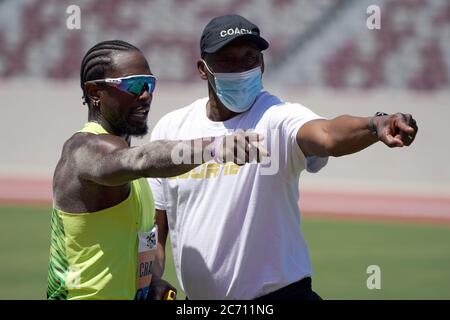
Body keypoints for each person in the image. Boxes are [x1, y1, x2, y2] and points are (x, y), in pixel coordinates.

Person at [148, 15, 418, 300]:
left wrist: (375, 125)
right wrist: (151, 279)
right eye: (228, 60)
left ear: (262, 63)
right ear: (204, 69)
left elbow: (328, 134)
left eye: (250, 58)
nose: (242, 70)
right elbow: (157, 228)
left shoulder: (278, 117)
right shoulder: (173, 128)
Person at [46, 40, 266, 300]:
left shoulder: (132, 174)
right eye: (134, 85)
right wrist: (215, 147)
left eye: (149, 84)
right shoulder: (83, 150)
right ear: (95, 92)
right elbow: (141, 159)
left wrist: (150, 284)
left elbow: (137, 248)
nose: (146, 95)